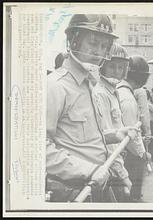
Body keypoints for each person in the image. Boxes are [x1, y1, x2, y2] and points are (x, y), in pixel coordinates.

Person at [46, 14, 137, 202]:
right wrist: (89, 170)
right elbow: (39, 149)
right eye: (94, 44)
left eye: (104, 46)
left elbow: (78, 137)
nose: (99, 52)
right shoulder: (55, 86)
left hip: (97, 185)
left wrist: (113, 134)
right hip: (73, 192)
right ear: (74, 42)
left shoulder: (90, 85)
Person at [92, 43, 135, 201]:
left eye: (120, 67)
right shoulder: (101, 94)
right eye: (112, 67)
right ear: (102, 67)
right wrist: (124, 176)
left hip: (115, 166)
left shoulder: (113, 92)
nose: (117, 72)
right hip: (108, 168)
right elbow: (109, 141)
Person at [117, 55, 151, 202]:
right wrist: (142, 154)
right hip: (129, 154)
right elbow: (131, 134)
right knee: (132, 195)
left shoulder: (120, 90)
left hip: (121, 151)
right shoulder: (129, 99)